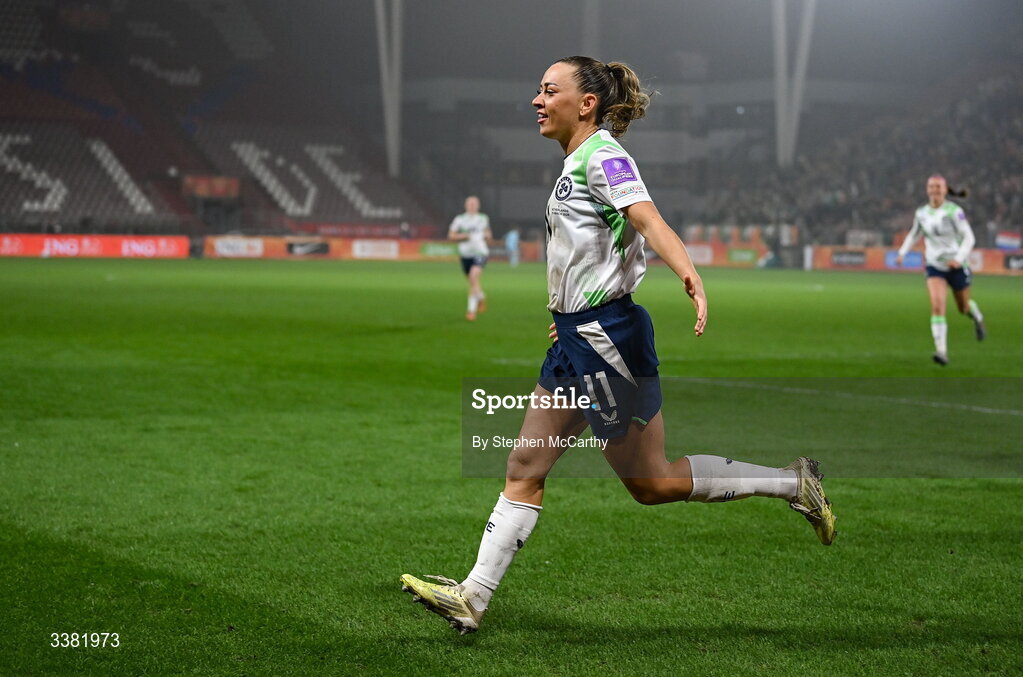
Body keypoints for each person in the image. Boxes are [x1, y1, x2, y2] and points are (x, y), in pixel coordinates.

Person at [401, 56, 836, 635]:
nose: (536, 99)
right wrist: (567, 312)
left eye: (549, 90)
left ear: (586, 104)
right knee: (524, 464)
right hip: (579, 337)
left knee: (650, 483)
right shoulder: (578, 160)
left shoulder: (603, 155)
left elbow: (649, 220)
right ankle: (473, 598)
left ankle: (792, 483)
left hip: (607, 341)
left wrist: (690, 274)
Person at [897, 175, 986, 366]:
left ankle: (977, 315)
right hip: (934, 265)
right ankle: (941, 351)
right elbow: (914, 234)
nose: (934, 190)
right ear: (927, 190)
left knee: (963, 308)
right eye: (931, 187)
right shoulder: (921, 212)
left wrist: (958, 259)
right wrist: (902, 252)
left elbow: (969, 238)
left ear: (945, 190)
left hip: (956, 266)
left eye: (938, 187)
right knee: (938, 305)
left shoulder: (954, 212)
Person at [449, 195, 492, 321]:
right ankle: (481, 297)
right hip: (465, 255)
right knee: (473, 282)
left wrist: (488, 235)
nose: (472, 205)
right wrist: (462, 236)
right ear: (466, 205)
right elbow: (451, 235)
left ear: (478, 205)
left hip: (480, 253)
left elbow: (488, 233)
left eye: (474, 203)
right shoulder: (459, 219)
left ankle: (471, 311)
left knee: (473, 277)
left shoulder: (483, 218)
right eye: (470, 203)